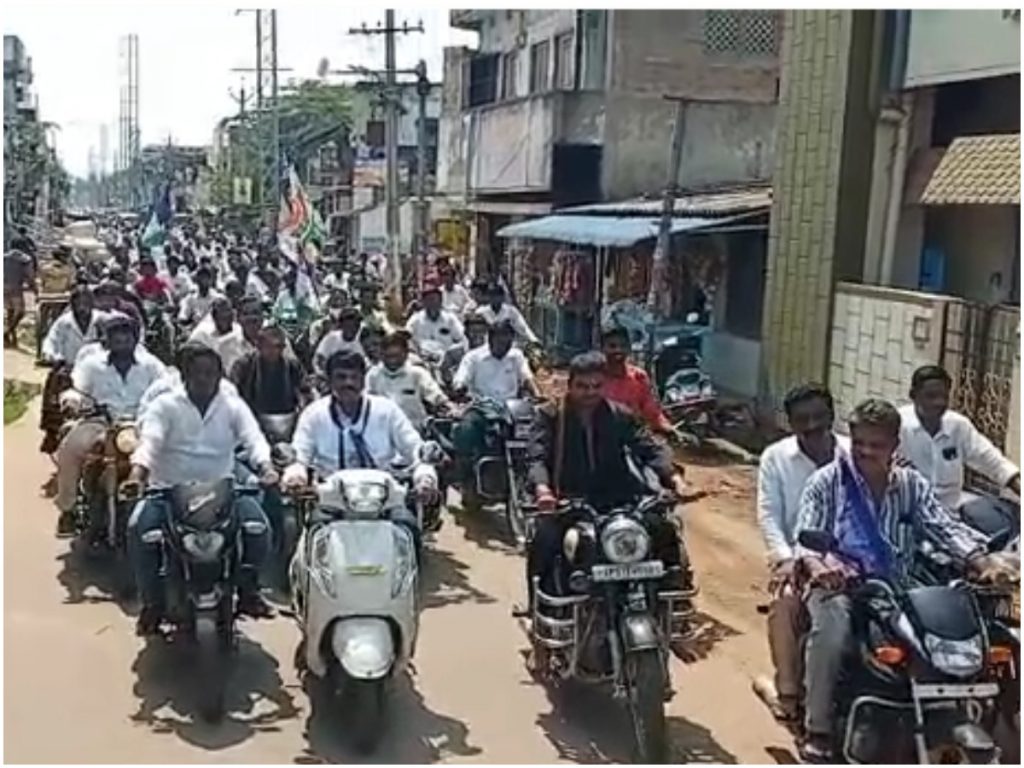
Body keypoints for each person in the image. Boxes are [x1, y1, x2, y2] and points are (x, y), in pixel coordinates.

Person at [795, 398, 1010, 762]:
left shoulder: (911, 485)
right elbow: (806, 537)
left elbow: (942, 526)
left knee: (967, 629)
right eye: (859, 442)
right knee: (831, 630)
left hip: (901, 588)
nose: (865, 451)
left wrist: (981, 561)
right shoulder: (826, 482)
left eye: (876, 444)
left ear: (895, 445)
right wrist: (819, 566)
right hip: (842, 587)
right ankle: (818, 729)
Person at [126, 342, 278, 635]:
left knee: (259, 529)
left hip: (223, 491)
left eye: (211, 373)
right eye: (197, 372)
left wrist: (266, 468)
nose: (204, 379)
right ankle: (152, 604)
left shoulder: (233, 406)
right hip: (168, 491)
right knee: (138, 530)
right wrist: (137, 475)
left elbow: (254, 439)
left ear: (220, 375)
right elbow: (150, 444)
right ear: (185, 375)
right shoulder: (165, 406)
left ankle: (248, 591)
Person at [525, 351, 690, 610]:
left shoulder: (619, 414)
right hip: (568, 501)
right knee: (544, 541)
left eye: (596, 386)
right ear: (570, 385)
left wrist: (674, 478)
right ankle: (539, 610)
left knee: (664, 530)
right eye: (583, 386)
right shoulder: (550, 415)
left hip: (618, 500)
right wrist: (543, 490)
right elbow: (536, 456)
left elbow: (649, 446)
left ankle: (674, 605)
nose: (590, 392)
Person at [752, 384, 850, 727]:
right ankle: (788, 694)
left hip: (852, 561)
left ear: (832, 416)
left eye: (819, 417)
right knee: (785, 603)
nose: (812, 426)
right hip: (799, 559)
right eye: (802, 419)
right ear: (790, 422)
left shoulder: (854, 453)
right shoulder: (776, 457)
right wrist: (784, 558)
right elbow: (769, 514)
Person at [281, 349, 438, 552]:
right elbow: (299, 456)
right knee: (314, 534)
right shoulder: (314, 414)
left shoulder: (386, 410)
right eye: (341, 377)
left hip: (383, 496)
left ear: (363, 380)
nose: (348, 383)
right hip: (332, 497)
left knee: (408, 530)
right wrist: (295, 477)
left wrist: (425, 478)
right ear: (329, 381)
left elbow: (415, 448)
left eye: (354, 377)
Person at [54, 315, 165, 535]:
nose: (122, 341)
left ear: (136, 338)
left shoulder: (151, 365)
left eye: (127, 335)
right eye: (116, 336)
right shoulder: (92, 364)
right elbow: (77, 390)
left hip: (141, 426)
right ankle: (68, 509)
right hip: (100, 423)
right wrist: (72, 402)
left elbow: (168, 387)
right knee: (69, 449)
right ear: (107, 339)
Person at [898, 365, 1020, 512]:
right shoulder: (897, 425)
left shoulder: (958, 426)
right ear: (913, 395)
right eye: (931, 396)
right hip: (907, 512)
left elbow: (991, 461)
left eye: (944, 396)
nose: (939, 403)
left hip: (950, 512)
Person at [39, 287, 110, 453]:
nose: (83, 306)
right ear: (72, 304)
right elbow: (51, 341)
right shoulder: (64, 322)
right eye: (79, 302)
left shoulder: (102, 320)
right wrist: (52, 356)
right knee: (53, 388)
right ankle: (51, 432)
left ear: (93, 302)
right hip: (68, 368)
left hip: (97, 369)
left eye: (86, 302)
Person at [367, 331, 450, 431]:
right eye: (388, 357)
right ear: (381, 355)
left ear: (406, 354)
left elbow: (437, 397)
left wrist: (450, 407)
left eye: (396, 356)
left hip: (414, 430)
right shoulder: (373, 375)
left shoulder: (418, 374)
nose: (392, 361)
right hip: (382, 430)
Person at [599, 325, 673, 437]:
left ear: (629, 348)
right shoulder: (594, 377)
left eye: (623, 346)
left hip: (632, 437)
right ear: (602, 348)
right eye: (612, 346)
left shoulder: (639, 377)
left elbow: (652, 412)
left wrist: (669, 429)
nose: (618, 350)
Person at [231, 324, 309, 418]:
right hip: (251, 417)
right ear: (258, 346)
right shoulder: (244, 365)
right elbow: (233, 392)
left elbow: (305, 390)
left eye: (278, 346)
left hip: (287, 418)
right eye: (268, 346)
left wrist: (302, 403)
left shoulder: (293, 366)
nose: (273, 351)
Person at [452, 320, 540, 402]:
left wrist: (537, 394)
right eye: (500, 343)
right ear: (490, 340)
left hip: (511, 406)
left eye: (508, 344)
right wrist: (459, 389)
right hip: (482, 406)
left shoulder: (516, 356)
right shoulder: (472, 357)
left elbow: (527, 377)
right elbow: (461, 379)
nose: (505, 348)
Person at [405, 285, 466, 361]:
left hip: (445, 359)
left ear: (441, 301)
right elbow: (406, 338)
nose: (432, 303)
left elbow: (460, 339)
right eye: (428, 300)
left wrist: (450, 353)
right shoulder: (415, 319)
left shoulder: (450, 319)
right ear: (423, 302)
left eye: (434, 299)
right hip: (421, 359)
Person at [473, 282, 539, 346]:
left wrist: (534, 341)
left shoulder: (511, 311)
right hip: (487, 345)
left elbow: (523, 328)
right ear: (488, 296)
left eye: (497, 295)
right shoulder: (480, 311)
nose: (494, 298)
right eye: (492, 295)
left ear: (502, 297)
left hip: (508, 345)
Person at [314, 306, 364, 374]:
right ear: (341, 325)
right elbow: (319, 360)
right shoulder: (331, 338)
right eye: (349, 325)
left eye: (356, 325)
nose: (353, 328)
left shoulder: (359, 345)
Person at [4, 246, 35, 348]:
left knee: (10, 313)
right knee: (20, 312)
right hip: (16, 289)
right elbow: (29, 276)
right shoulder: (24, 260)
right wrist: (34, 288)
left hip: (4, 288)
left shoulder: (4, 258)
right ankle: (6, 333)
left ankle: (12, 339)